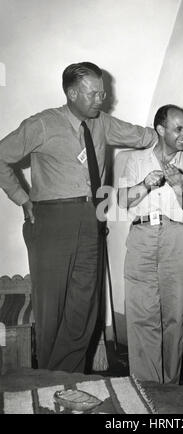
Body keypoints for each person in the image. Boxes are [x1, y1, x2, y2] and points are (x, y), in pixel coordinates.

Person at [0, 62, 163, 373]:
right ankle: (49, 382)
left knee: (84, 306)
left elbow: (143, 136)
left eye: (102, 92)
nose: (101, 99)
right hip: (52, 222)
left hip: (92, 218)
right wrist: (21, 198)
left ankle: (70, 380)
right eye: (93, 94)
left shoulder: (101, 123)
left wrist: (179, 142)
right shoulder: (43, 124)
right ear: (72, 93)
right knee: (53, 308)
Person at [118, 104, 183, 384]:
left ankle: (170, 389)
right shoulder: (136, 161)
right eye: (179, 128)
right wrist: (145, 185)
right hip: (142, 236)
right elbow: (121, 201)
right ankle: (147, 388)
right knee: (141, 316)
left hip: (178, 238)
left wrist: (181, 186)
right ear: (160, 129)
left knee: (174, 318)